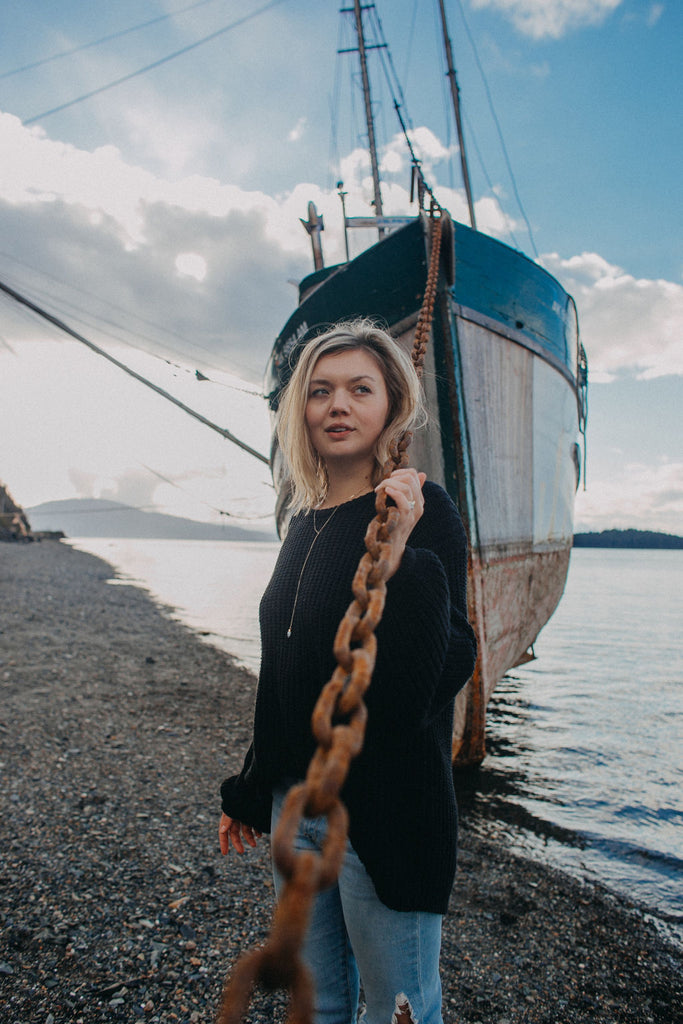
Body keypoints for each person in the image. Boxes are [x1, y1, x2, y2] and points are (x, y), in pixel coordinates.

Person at [219, 320, 477, 1024]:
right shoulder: (302, 519)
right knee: (318, 998)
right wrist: (247, 789)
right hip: (293, 803)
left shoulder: (424, 510)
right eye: (321, 391)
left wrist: (403, 545)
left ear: (391, 404)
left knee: (394, 1005)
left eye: (360, 389)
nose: (338, 405)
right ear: (299, 409)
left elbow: (447, 662)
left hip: (388, 808)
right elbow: (284, 672)